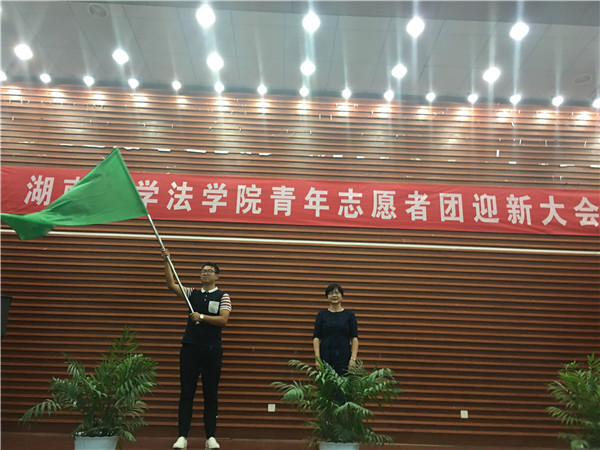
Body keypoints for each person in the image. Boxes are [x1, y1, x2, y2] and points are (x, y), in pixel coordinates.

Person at [162, 248, 232, 450]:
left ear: (217, 276)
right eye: (203, 271)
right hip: (190, 349)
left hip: (212, 350)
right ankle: (182, 437)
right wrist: (166, 261)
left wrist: (201, 317)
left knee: (211, 394)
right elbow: (171, 284)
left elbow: (223, 320)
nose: (205, 274)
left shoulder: (223, 296)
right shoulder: (191, 293)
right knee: (186, 393)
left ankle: (210, 437)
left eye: (210, 271)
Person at [312, 283, 359, 376]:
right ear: (327, 297)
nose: (334, 295)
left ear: (342, 296)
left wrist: (353, 359)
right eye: (331, 293)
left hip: (344, 356)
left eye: (337, 293)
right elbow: (316, 337)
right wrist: (317, 358)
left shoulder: (349, 315)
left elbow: (354, 338)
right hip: (326, 355)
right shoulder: (322, 315)